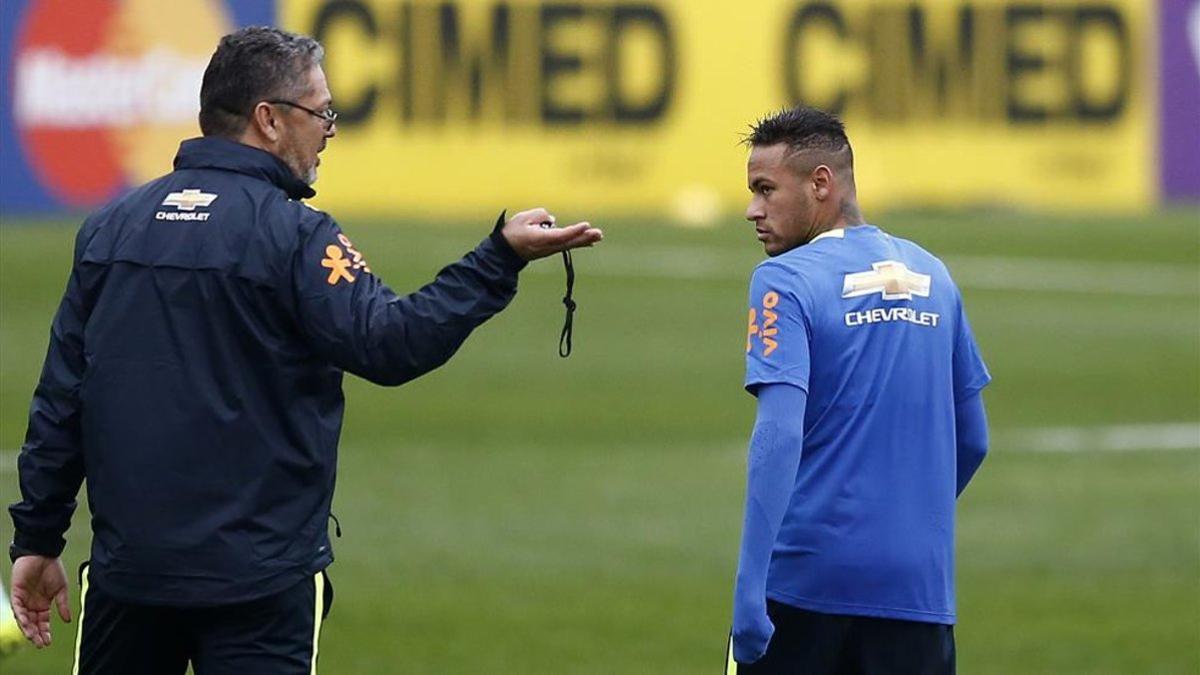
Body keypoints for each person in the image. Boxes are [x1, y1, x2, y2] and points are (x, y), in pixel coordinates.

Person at [7, 25, 601, 674]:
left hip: (129, 583)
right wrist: (497, 260)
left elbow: (62, 399)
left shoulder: (111, 229)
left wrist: (37, 539)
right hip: (258, 588)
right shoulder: (293, 235)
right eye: (321, 112)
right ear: (268, 120)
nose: (330, 129)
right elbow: (390, 342)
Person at [726, 106, 990, 674]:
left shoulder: (783, 280)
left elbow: (778, 431)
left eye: (766, 189)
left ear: (820, 183)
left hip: (805, 587)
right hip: (918, 592)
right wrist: (901, 527)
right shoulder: (934, 276)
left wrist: (750, 586)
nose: (753, 209)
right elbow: (975, 440)